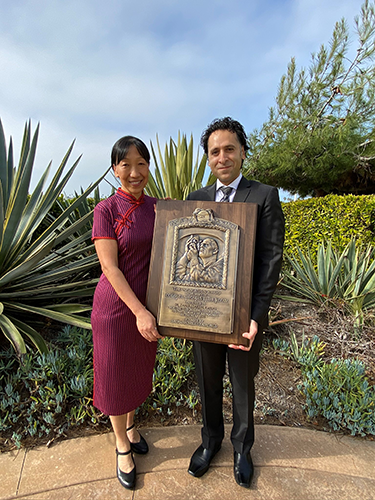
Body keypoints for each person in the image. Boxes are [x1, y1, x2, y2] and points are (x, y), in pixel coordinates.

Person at [186, 117, 285, 488]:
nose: (222, 157)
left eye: (229, 149)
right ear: (208, 158)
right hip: (203, 314)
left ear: (243, 152)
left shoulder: (264, 195)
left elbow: (271, 260)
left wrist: (257, 316)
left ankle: (243, 448)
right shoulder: (194, 200)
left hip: (243, 317)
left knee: (243, 384)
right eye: (215, 151)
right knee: (207, 382)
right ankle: (210, 441)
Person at [91, 136, 162, 490]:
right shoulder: (105, 211)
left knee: (135, 374)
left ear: (149, 166)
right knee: (116, 378)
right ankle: (121, 445)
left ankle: (131, 427)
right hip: (117, 310)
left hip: (146, 311)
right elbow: (110, 268)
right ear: (114, 168)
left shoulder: (159, 208)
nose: (134, 172)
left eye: (141, 164)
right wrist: (139, 312)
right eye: (126, 164)